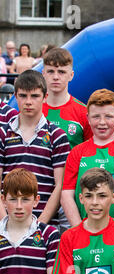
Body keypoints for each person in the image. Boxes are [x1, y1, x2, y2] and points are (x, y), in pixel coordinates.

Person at [61, 89, 114, 230]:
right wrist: (79, 230)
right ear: (88, 118)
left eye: (108, 116)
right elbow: (66, 196)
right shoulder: (76, 153)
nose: (102, 122)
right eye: (96, 117)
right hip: (85, 232)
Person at [0, 70, 70, 227]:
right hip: (6, 225)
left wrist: (39, 226)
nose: (28, 101)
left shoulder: (57, 136)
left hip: (44, 225)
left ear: (45, 97)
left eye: (35, 96)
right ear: (15, 96)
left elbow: (60, 186)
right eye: (23, 95)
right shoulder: (3, 133)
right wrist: (4, 223)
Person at [0, 168, 60, 274]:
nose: (19, 206)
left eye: (25, 199)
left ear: (36, 200)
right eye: (13, 199)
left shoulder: (49, 235)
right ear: (3, 200)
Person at [42, 48, 92, 149]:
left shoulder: (84, 112)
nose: (55, 77)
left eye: (61, 72)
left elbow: (91, 154)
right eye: (51, 71)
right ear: (43, 74)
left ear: (71, 75)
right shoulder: (32, 109)